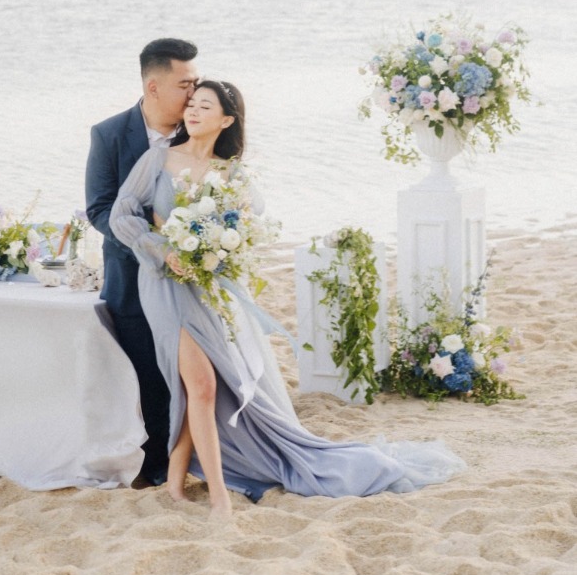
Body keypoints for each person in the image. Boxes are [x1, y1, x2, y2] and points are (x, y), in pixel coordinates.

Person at [110, 79, 465, 518]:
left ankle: (177, 485)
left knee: (203, 387)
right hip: (163, 283)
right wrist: (162, 248)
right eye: (192, 105)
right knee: (200, 384)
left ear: (226, 120)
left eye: (206, 106)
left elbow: (247, 226)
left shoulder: (232, 174)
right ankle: (219, 492)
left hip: (207, 285)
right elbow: (121, 213)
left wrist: (217, 248)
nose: (194, 112)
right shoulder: (159, 158)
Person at [85, 38, 200, 487]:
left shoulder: (199, 130)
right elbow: (99, 209)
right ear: (153, 87)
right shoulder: (109, 134)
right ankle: (154, 466)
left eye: (196, 83)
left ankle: (195, 458)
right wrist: (150, 246)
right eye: (184, 85)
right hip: (130, 277)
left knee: (192, 374)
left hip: (191, 279)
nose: (194, 94)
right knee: (146, 375)